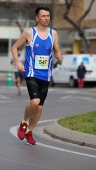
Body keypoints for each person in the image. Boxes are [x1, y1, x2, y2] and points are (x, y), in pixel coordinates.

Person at [11, 7, 62, 145]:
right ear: (37, 18)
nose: (47, 18)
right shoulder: (29, 33)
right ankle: (23, 123)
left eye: (48, 16)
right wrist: (18, 63)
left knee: (39, 107)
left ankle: (30, 131)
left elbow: (57, 51)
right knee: (34, 102)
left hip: (46, 75)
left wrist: (59, 55)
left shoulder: (54, 34)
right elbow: (14, 47)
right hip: (31, 72)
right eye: (44, 16)